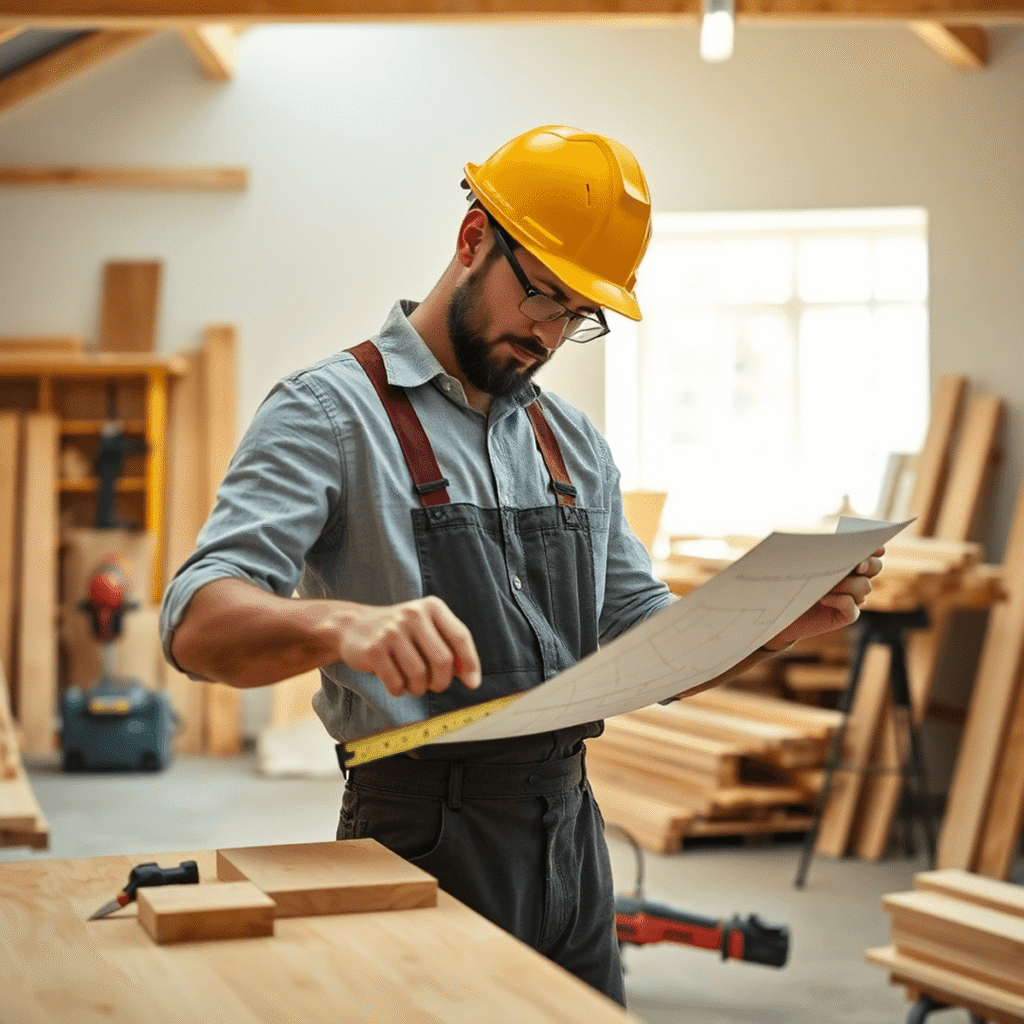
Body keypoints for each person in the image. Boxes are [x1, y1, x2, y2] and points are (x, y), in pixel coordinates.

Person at [160, 125, 883, 1005]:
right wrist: (343, 624)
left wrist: (766, 626)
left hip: (570, 831)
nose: (550, 334)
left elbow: (645, 642)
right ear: (472, 243)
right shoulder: (328, 413)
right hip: (420, 830)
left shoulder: (571, 444)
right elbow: (197, 621)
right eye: (543, 298)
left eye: (580, 316)